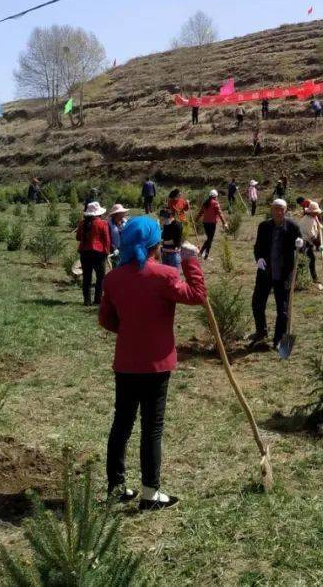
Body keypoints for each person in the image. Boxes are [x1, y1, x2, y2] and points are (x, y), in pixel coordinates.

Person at [98, 216, 206, 511]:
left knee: (122, 423)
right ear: (153, 245)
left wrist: (131, 332)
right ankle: (150, 492)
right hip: (156, 364)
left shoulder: (114, 279)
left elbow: (106, 319)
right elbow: (198, 296)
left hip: (126, 362)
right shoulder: (164, 276)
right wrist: (191, 261)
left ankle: (116, 487)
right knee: (152, 427)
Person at [250, 199, 303, 347]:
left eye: (282, 209)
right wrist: (258, 258)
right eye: (276, 209)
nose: (279, 212)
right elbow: (257, 247)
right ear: (271, 210)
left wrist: (300, 245)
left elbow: (302, 249)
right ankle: (261, 331)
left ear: (285, 211)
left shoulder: (292, 227)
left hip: (283, 274)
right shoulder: (264, 226)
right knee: (257, 304)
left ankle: (278, 340)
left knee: (283, 310)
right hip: (265, 272)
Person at [77, 202, 112, 307]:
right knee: (100, 277)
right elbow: (107, 239)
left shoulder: (82, 223)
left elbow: (78, 237)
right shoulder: (102, 223)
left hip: (84, 252)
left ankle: (86, 300)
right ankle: (97, 299)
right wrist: (107, 251)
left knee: (86, 277)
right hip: (98, 252)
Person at [196, 190, 228, 259]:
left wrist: (196, 219)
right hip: (212, 223)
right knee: (209, 239)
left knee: (209, 239)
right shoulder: (215, 203)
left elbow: (201, 212)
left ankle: (206, 256)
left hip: (205, 223)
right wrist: (224, 223)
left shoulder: (205, 203)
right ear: (215, 196)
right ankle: (201, 253)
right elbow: (220, 213)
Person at [298, 201, 323, 284]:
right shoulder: (308, 220)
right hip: (303, 243)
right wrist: (318, 244)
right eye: (315, 212)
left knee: (311, 259)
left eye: (317, 212)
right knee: (302, 262)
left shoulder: (312, 218)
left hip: (307, 242)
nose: (316, 214)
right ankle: (298, 280)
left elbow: (317, 226)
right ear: (311, 212)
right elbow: (312, 236)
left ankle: (314, 278)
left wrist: (319, 225)